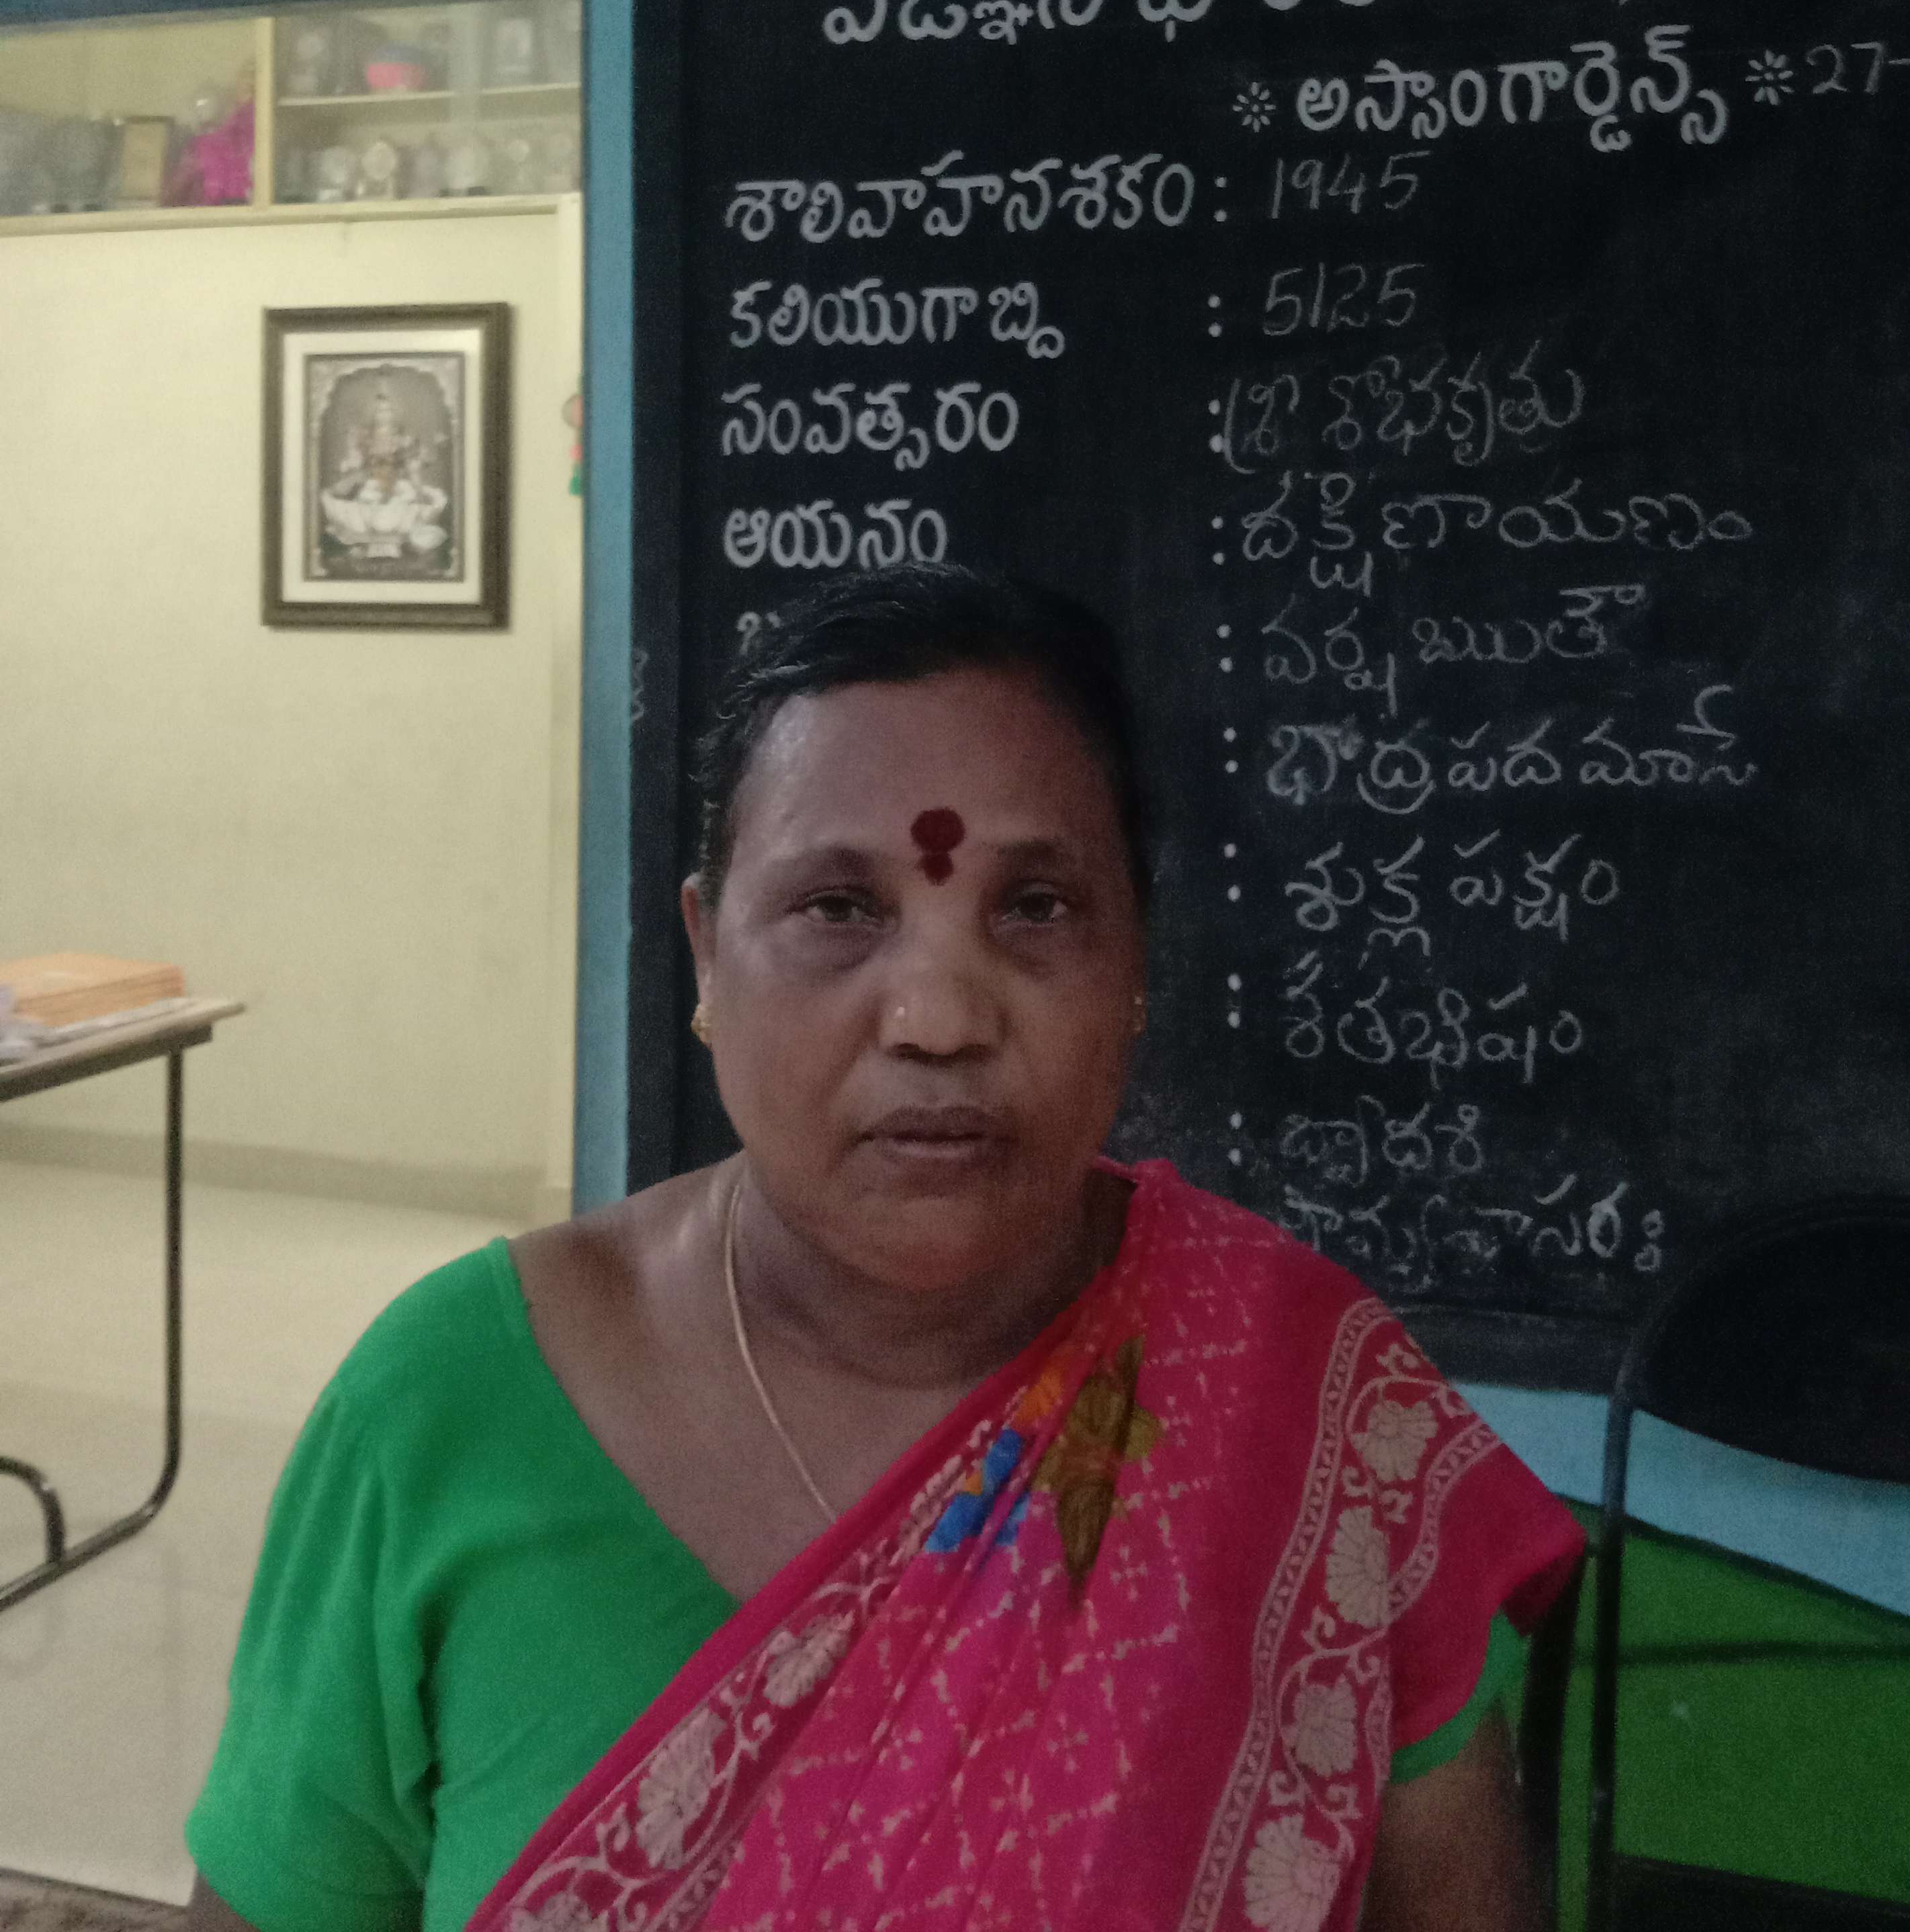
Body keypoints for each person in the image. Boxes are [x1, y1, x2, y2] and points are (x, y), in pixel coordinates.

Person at [187, 566, 1583, 1932]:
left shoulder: (1304, 1402)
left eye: (1036, 908)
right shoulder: (450, 1406)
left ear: (1138, 961)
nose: (937, 1018)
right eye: (838, 910)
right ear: (706, 954)